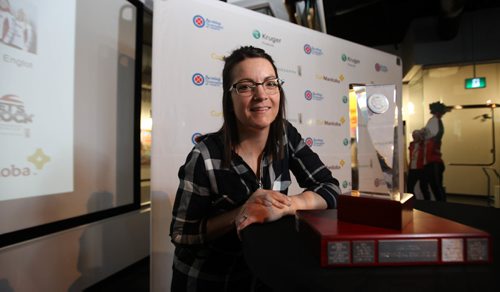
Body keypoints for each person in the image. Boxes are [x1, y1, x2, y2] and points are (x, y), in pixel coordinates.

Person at [169, 46, 340, 291]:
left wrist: (287, 204)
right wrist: (242, 211)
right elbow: (181, 233)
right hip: (210, 281)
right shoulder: (205, 156)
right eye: (246, 86)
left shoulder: (285, 135)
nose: (261, 94)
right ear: (230, 97)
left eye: (270, 83)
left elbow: (330, 187)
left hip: (264, 276)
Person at [422, 101, 449, 201]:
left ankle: (442, 208)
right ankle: (441, 207)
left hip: (433, 160)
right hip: (431, 160)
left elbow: (430, 134)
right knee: (434, 186)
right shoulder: (435, 121)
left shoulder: (434, 121)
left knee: (436, 186)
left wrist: (423, 132)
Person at [406, 129, 430, 199]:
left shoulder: (423, 144)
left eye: (416, 135)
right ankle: (414, 202)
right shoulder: (411, 144)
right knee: (409, 187)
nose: (414, 137)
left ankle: (428, 203)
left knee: (424, 187)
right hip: (412, 169)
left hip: (421, 169)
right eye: (413, 135)